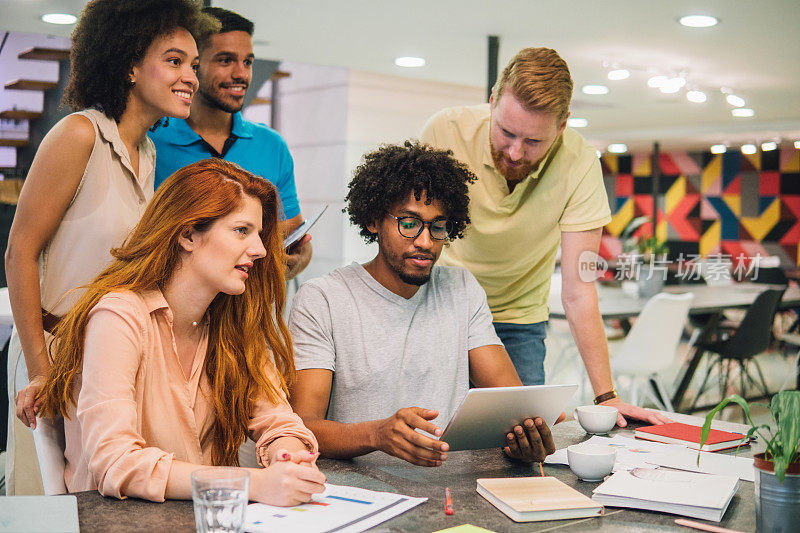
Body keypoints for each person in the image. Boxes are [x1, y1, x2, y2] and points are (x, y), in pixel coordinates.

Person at [4, 0, 215, 495]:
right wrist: (42, 372)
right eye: (174, 60)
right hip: (51, 351)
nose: (190, 77)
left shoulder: (147, 152)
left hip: (103, 360)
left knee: (94, 504)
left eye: (193, 64)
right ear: (130, 63)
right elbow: (19, 252)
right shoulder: (80, 134)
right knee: (44, 511)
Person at [37, 159, 326, 504]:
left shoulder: (231, 323)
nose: (261, 250)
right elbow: (116, 463)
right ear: (188, 234)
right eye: (241, 231)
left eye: (259, 234)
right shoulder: (118, 316)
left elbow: (280, 421)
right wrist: (253, 483)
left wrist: (288, 456)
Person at [420, 47, 670, 427]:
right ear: (492, 100)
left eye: (534, 142)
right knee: (432, 436)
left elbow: (578, 288)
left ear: (563, 124)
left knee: (522, 446)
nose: (516, 152)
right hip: (441, 308)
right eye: (506, 132)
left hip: (518, 320)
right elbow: (415, 233)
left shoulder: (580, 163)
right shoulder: (444, 132)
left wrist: (607, 396)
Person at [288, 142, 557, 467]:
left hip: (452, 493)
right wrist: (377, 435)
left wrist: (525, 439)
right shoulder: (323, 299)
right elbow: (304, 426)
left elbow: (513, 406)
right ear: (374, 220)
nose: (425, 242)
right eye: (409, 223)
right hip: (363, 496)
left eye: (438, 226)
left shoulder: (461, 289)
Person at [149, 7, 312, 280]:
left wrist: (299, 257)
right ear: (195, 65)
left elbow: (290, 234)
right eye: (226, 60)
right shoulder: (152, 140)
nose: (242, 74)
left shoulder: (272, 145)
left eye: (247, 62)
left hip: (245, 315)